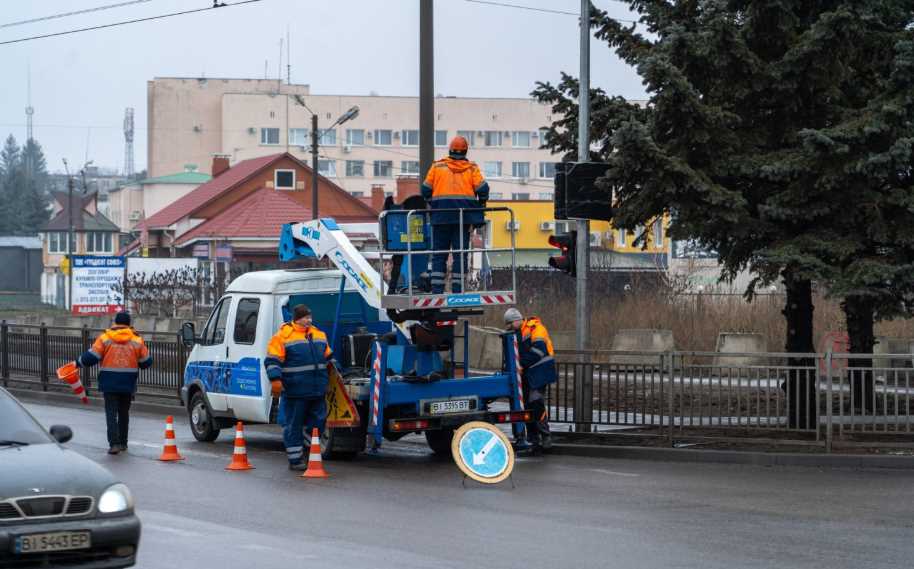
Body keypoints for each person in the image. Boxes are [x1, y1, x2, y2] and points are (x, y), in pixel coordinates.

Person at [265, 304, 334, 471]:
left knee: (318, 422)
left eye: (310, 317)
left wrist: (336, 370)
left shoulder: (318, 334)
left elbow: (328, 357)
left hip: (317, 390)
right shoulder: (282, 337)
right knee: (294, 425)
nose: (309, 320)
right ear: (297, 319)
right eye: (305, 317)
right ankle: (295, 460)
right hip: (295, 391)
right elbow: (272, 361)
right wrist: (275, 380)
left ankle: (309, 451)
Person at [75, 312, 152, 455]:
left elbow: (91, 357)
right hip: (128, 382)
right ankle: (123, 443)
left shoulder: (105, 338)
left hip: (109, 382)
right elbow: (146, 362)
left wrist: (76, 363)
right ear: (129, 324)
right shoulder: (137, 340)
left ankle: (114, 444)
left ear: (115, 322)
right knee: (124, 413)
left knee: (111, 413)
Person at [420, 135, 490, 294]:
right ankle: (458, 290)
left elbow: (425, 190)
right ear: (465, 151)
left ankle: (437, 289)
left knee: (439, 256)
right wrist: (481, 205)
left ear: (450, 150)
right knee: (460, 256)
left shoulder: (437, 167)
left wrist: (433, 203)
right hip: (463, 220)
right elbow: (483, 190)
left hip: (440, 218)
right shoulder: (472, 169)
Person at [504, 307, 556, 453]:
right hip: (528, 372)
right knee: (526, 405)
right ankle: (533, 440)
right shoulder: (518, 332)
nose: (508, 328)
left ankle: (545, 436)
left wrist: (521, 364)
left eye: (509, 324)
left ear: (516, 320)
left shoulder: (536, 328)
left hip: (541, 371)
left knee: (535, 402)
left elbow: (539, 351)